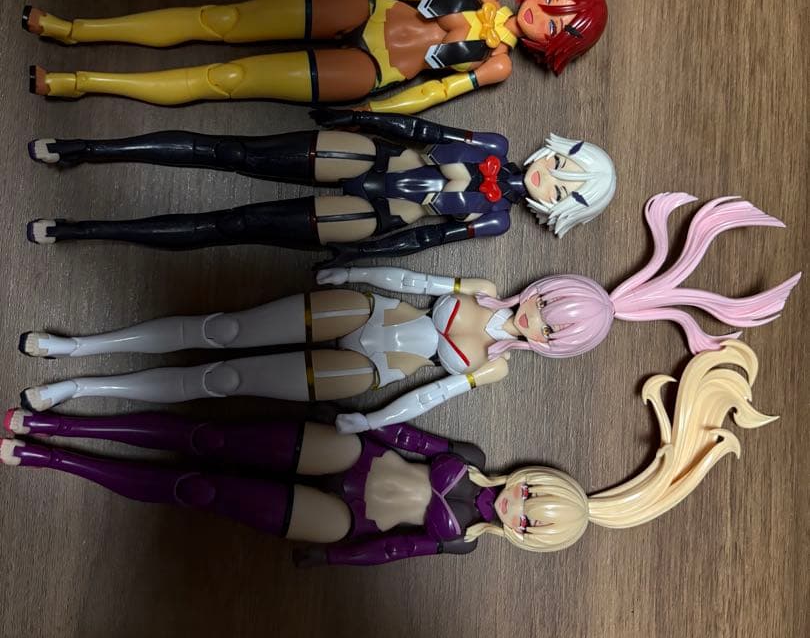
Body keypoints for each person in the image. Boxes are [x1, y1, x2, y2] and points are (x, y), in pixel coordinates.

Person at [18, 194, 799, 429]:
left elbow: (427, 397)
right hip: (359, 306)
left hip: (369, 371)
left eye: (550, 329)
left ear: (552, 347)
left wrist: (369, 424)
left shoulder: (491, 368)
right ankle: (77, 346)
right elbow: (410, 276)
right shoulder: (482, 289)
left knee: (223, 380)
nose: (538, 320)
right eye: (549, 307)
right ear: (547, 289)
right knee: (222, 328)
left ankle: (79, 391)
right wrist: (353, 268)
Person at [1, 342, 776, 565]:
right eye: (534, 496)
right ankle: (59, 426)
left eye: (528, 521)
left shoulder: (459, 542)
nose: (519, 506)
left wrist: (334, 559)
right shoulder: (469, 455)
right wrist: (360, 422)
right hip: (349, 456)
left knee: (199, 491)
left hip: (343, 524)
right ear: (536, 479)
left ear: (523, 538)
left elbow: (390, 552)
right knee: (208, 437)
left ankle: (50, 459)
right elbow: (408, 434)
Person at [26, 110, 616, 257]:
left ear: (559, 211)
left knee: (235, 225)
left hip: (377, 218)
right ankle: (88, 149)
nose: (550, 179)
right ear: (558, 149)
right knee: (232, 152)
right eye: (563, 167)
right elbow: (421, 130)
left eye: (563, 192)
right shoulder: (494, 145)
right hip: (372, 157)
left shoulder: (497, 219)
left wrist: (360, 256)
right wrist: (360, 117)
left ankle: (84, 230)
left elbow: (423, 240)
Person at [24, 0, 607, 113]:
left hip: (375, 72)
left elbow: (432, 94)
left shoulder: (498, 65)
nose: (543, 13)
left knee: (229, 79)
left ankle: (82, 82)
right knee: (224, 20)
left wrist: (376, 113)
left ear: (553, 47)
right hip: (369, 9)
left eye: (557, 25)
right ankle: (76, 29)